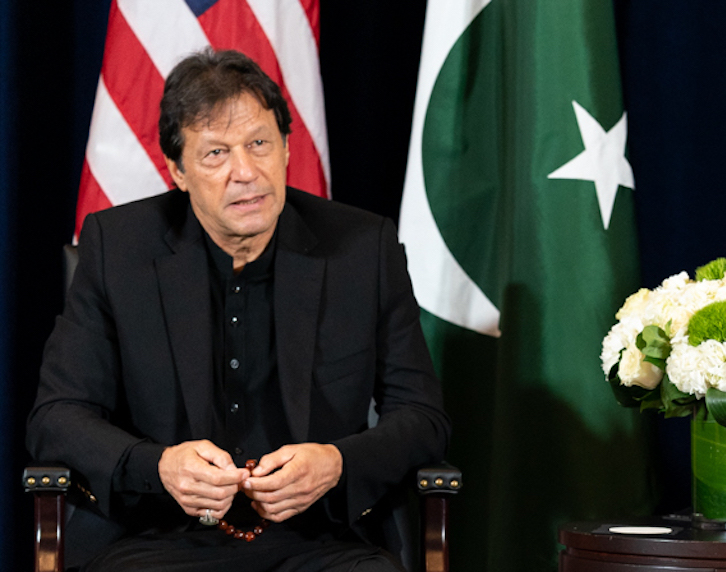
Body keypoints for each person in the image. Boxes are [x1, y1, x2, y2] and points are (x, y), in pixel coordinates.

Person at [26, 48, 450, 572]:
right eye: (216, 154)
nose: (245, 172)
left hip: (321, 539)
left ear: (288, 148)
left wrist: (337, 463)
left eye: (258, 144)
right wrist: (157, 466)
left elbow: (424, 418)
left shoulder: (364, 249)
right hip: (158, 538)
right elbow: (57, 416)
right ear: (178, 171)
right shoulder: (118, 250)